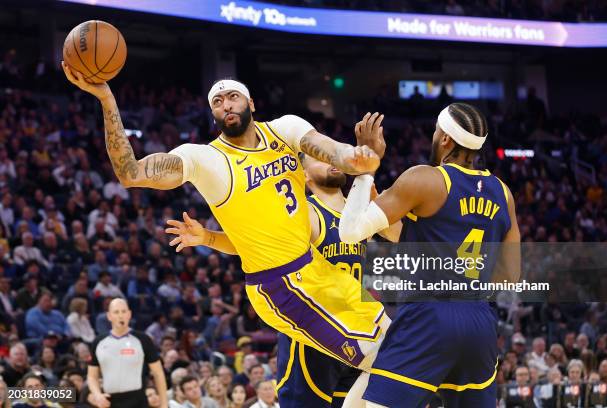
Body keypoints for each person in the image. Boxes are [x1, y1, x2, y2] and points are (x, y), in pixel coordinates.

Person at [62, 65, 389, 380]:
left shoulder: (285, 128)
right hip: (281, 286)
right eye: (217, 102)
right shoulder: (207, 160)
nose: (225, 105)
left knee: (398, 339)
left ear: (251, 103)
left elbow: (334, 152)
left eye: (233, 97)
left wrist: (361, 157)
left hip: (319, 269)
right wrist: (107, 99)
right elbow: (130, 174)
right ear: (213, 114)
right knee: (384, 356)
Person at [167, 153, 401, 407]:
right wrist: (208, 238)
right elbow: (255, 243)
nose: (331, 160)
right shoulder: (302, 210)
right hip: (311, 333)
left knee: (388, 366)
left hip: (357, 323)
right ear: (304, 173)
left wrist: (382, 201)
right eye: (320, 158)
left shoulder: (361, 208)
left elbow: (401, 241)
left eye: (332, 154)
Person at [339, 104, 520, 407]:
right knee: (356, 402)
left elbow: (350, 232)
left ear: (445, 139)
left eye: (436, 132)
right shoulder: (503, 193)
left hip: (429, 315)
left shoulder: (425, 179)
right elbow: (510, 276)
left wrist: (366, 169)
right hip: (480, 322)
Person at [88, 298, 168, 408]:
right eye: (116, 312)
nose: (120, 316)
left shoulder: (143, 339)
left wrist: (164, 405)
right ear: (109, 316)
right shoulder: (99, 342)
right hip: (110, 402)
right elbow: (92, 376)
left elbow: (158, 373)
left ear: (129, 314)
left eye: (123, 311)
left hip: (138, 401)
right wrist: (97, 394)